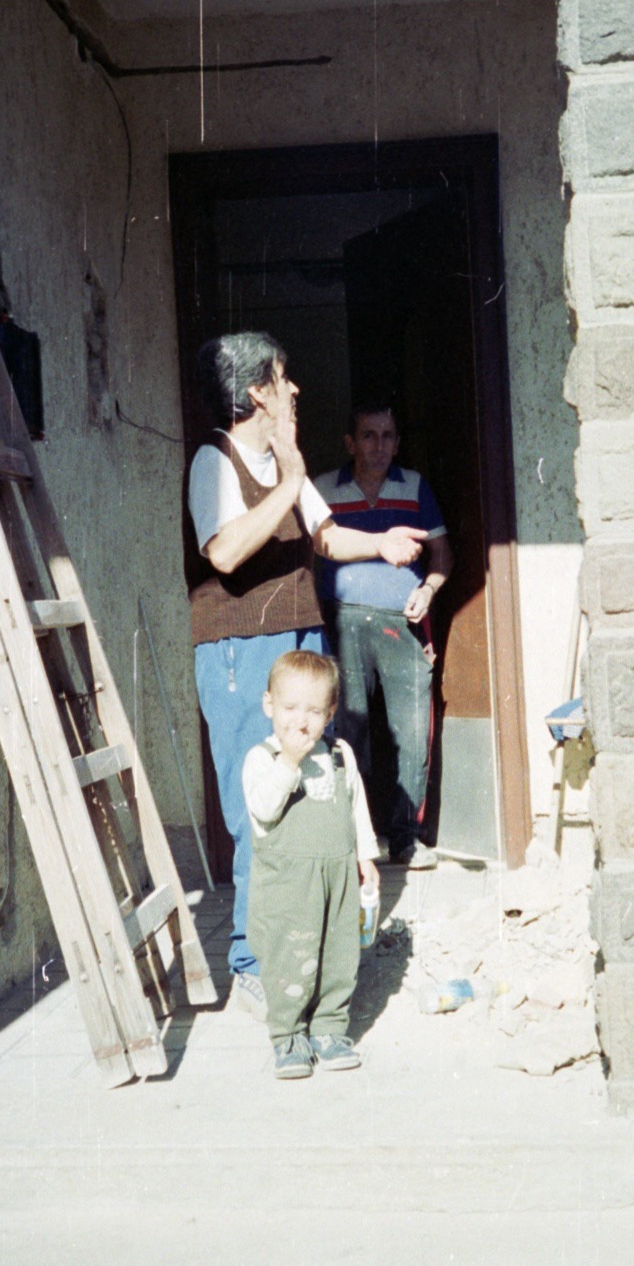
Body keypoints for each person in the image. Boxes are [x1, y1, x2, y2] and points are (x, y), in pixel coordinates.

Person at [186, 334, 424, 1017]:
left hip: (298, 640)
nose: (295, 391)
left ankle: (304, 943)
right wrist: (289, 482)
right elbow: (226, 550)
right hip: (240, 649)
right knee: (255, 805)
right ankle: (251, 958)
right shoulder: (215, 460)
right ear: (257, 391)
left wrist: (377, 542)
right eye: (284, 380)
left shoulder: (282, 462)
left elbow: (322, 535)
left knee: (309, 799)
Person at [314, 404, 452, 869]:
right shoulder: (322, 490)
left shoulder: (413, 487)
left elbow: (442, 555)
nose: (380, 446)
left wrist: (429, 590)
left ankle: (406, 839)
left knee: (411, 729)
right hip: (343, 620)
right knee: (346, 728)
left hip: (402, 621)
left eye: (388, 436)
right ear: (350, 443)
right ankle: (351, 838)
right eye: (369, 436)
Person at [242, 649, 377, 1078]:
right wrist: (290, 761)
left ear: (330, 712)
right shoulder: (262, 758)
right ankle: (288, 1035)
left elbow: (357, 807)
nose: (301, 722)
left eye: (314, 711)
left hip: (337, 876)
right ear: (269, 706)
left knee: (339, 955)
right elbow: (263, 809)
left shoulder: (339, 754)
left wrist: (366, 856)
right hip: (287, 885)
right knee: (290, 956)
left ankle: (331, 1028)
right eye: (290, 708)